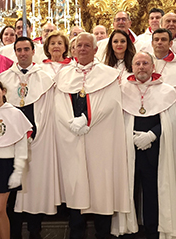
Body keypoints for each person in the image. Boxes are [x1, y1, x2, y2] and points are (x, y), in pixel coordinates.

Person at [53, 32, 131, 239]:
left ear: (96, 50)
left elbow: (111, 104)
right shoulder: (63, 74)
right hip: (73, 137)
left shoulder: (109, 74)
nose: (83, 49)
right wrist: (72, 121)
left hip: (100, 138)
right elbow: (58, 104)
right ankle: (76, 232)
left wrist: (88, 121)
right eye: (79, 45)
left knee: (101, 185)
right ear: (74, 49)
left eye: (88, 46)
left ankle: (102, 233)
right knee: (76, 183)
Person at [0, 37, 58, 239]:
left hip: (38, 138)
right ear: (15, 52)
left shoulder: (45, 77)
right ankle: (14, 233)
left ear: (33, 51)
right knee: (13, 188)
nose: (22, 53)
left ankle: (35, 230)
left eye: (26, 49)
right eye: (19, 50)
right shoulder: (4, 78)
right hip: (11, 140)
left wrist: (40, 132)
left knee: (35, 186)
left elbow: (50, 109)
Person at [116, 51, 176, 239]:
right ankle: (129, 229)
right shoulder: (123, 89)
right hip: (129, 149)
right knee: (129, 190)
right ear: (132, 67)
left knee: (152, 192)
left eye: (145, 63)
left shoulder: (166, 90)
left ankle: (152, 230)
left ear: (153, 67)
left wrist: (152, 135)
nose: (141, 67)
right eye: (138, 64)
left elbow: (170, 120)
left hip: (155, 149)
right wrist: (132, 137)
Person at [0, 79, 31, 239]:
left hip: (5, 164)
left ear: (3, 91)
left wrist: (18, 169)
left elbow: (22, 143)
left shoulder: (15, 113)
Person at [152, 28, 176, 94]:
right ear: (152, 44)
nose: (159, 42)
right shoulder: (145, 63)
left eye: (163, 39)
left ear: (170, 43)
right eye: (156, 40)